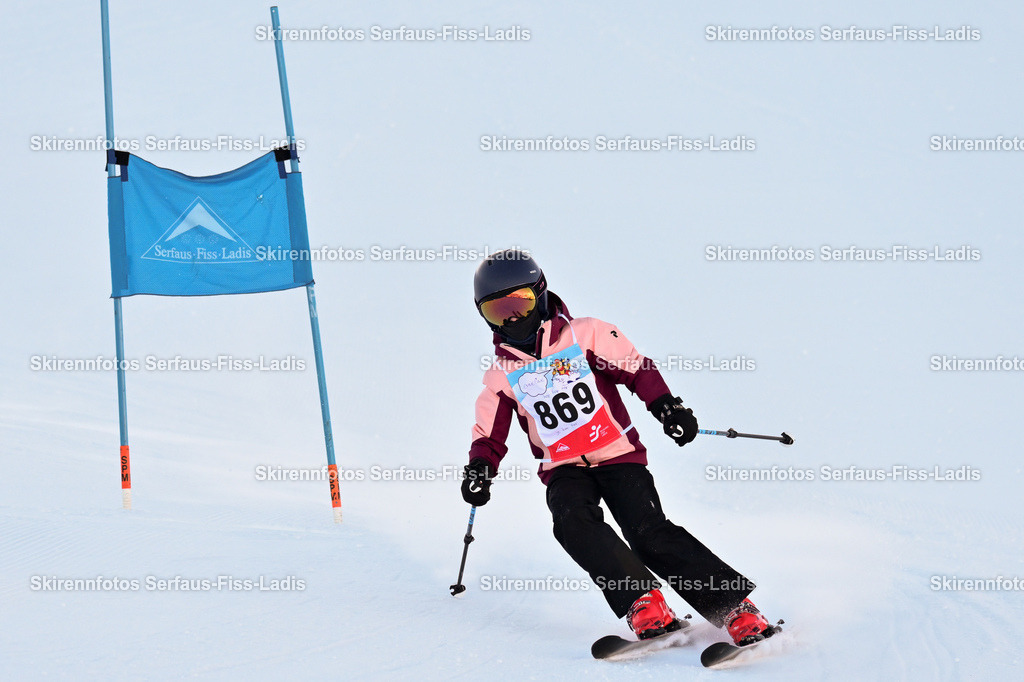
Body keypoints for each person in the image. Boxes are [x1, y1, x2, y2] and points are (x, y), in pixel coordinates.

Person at [461, 248, 774, 645]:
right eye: (497, 311)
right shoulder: (500, 374)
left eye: (519, 304)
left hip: (617, 454)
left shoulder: (586, 334)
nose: (513, 318)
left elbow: (636, 368)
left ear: (540, 294)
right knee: (572, 522)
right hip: (563, 468)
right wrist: (479, 469)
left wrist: (667, 407)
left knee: (648, 532)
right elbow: (488, 432)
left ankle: (735, 608)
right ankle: (644, 603)